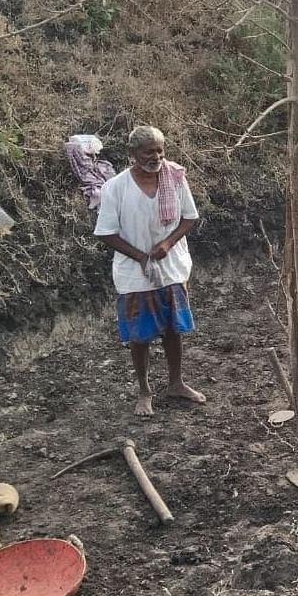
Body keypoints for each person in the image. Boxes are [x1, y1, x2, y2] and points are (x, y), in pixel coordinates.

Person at [94, 125, 205, 417]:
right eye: (149, 151)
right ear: (132, 154)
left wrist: (168, 243)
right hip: (134, 273)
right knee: (139, 335)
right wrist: (141, 257)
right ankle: (144, 391)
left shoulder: (175, 177)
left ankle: (176, 383)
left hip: (172, 267)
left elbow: (189, 218)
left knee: (172, 328)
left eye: (160, 150)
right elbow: (105, 233)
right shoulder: (116, 188)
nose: (156, 156)